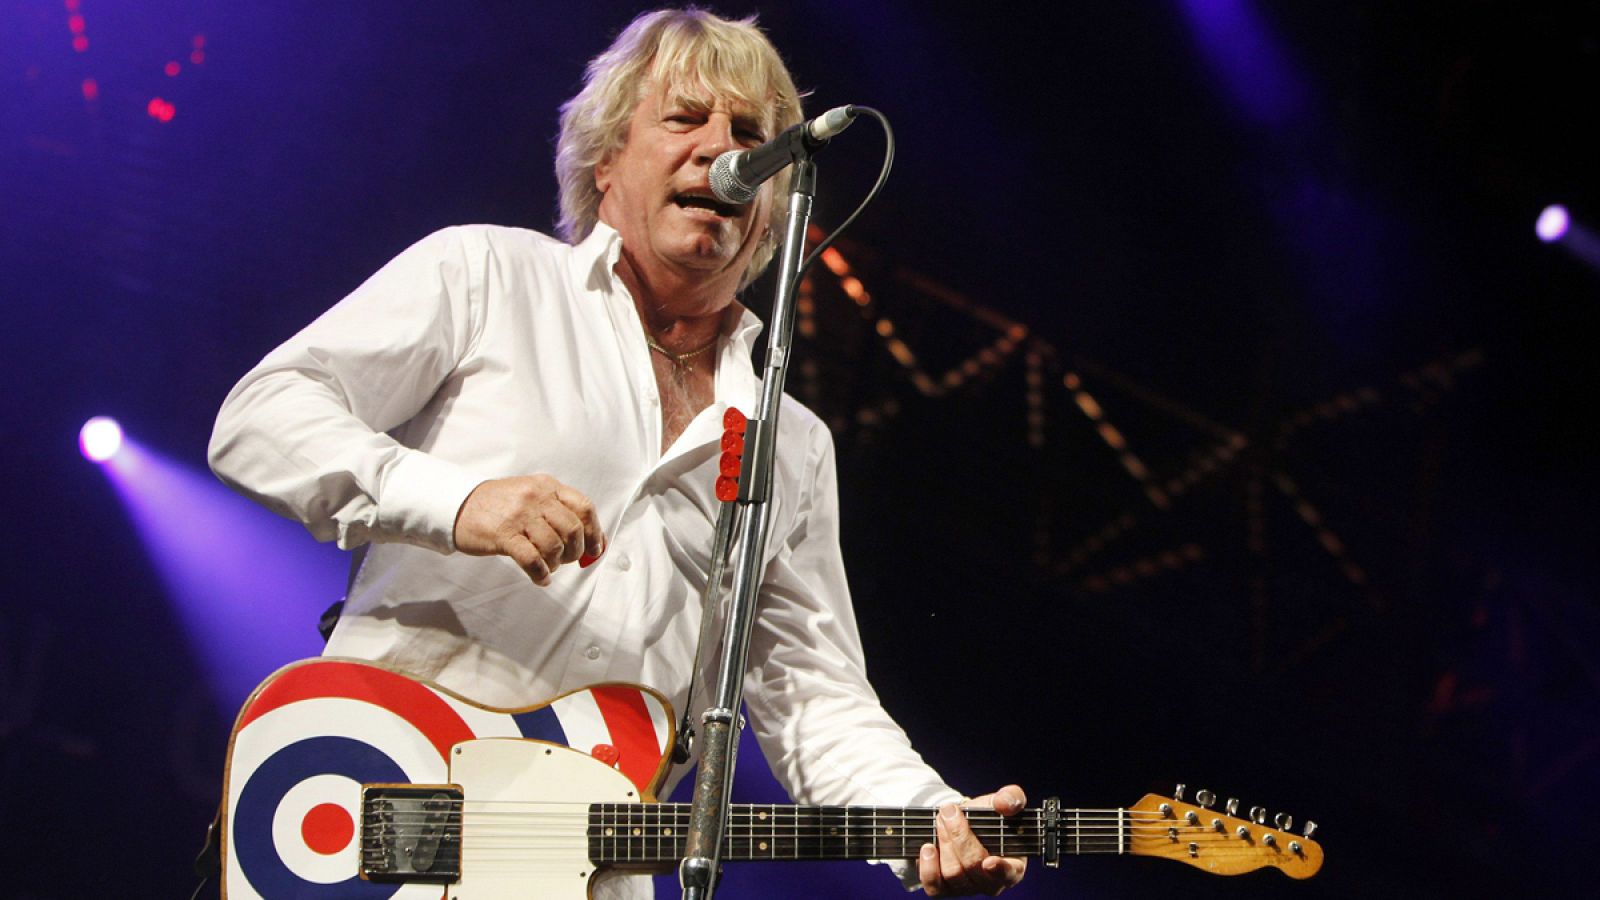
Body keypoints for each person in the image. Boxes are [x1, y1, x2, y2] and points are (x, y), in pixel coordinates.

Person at [209, 8, 1026, 897]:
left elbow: (811, 693)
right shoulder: (488, 276)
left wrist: (927, 819)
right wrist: (454, 502)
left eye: (752, 135)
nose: (722, 147)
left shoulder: (790, 444)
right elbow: (261, 418)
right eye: (685, 118)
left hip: (587, 873)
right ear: (605, 162)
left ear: (770, 219)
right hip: (375, 805)